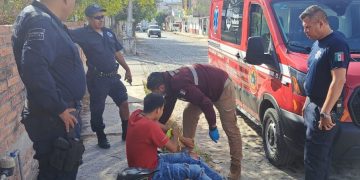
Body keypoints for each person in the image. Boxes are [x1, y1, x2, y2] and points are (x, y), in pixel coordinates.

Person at [12, 0, 86, 179]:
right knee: (60, 171)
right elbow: (34, 69)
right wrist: (58, 108)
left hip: (53, 115)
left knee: (57, 170)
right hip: (55, 118)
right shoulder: (41, 20)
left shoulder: (41, 17)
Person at [146, 64, 242, 179]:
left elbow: (206, 103)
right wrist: (155, 125)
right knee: (189, 114)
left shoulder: (177, 83)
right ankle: (188, 155)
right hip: (204, 92)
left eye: (154, 92)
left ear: (161, 87)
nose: (155, 95)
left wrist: (212, 126)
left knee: (230, 128)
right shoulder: (168, 84)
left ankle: (235, 173)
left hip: (222, 87)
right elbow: (167, 110)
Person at [70, 4, 132, 148]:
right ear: (89, 19)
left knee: (124, 102)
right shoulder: (82, 34)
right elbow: (63, 34)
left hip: (113, 77)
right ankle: (101, 136)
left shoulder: (108, 33)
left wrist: (127, 69)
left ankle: (126, 131)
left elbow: (117, 53)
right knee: (98, 109)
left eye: (102, 17)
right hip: (97, 79)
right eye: (97, 18)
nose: (101, 20)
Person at [300, 5, 350, 180]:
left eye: (308, 26)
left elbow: (338, 80)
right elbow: (314, 75)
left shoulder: (337, 43)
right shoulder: (317, 44)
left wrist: (325, 111)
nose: (305, 31)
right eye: (304, 27)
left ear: (321, 23)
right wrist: (308, 102)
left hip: (324, 108)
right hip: (313, 106)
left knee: (315, 160)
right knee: (316, 157)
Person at [126, 93, 224, 180]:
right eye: (163, 109)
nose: (163, 111)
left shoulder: (137, 114)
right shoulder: (150, 127)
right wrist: (176, 135)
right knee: (196, 170)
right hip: (152, 172)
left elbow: (157, 124)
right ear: (157, 110)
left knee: (193, 158)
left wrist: (180, 137)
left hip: (148, 162)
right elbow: (173, 148)